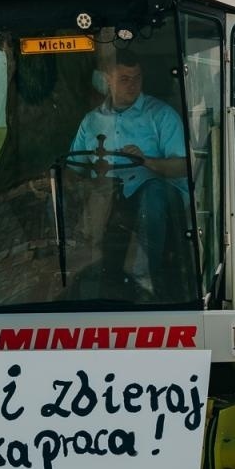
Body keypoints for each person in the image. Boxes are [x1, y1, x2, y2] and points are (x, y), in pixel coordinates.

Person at [69, 50, 189, 292]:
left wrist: (147, 161)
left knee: (154, 192)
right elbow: (73, 168)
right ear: (107, 80)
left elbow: (184, 167)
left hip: (156, 200)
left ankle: (145, 276)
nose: (132, 85)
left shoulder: (162, 115)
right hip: (105, 197)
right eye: (124, 79)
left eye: (137, 78)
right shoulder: (91, 121)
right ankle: (69, 273)